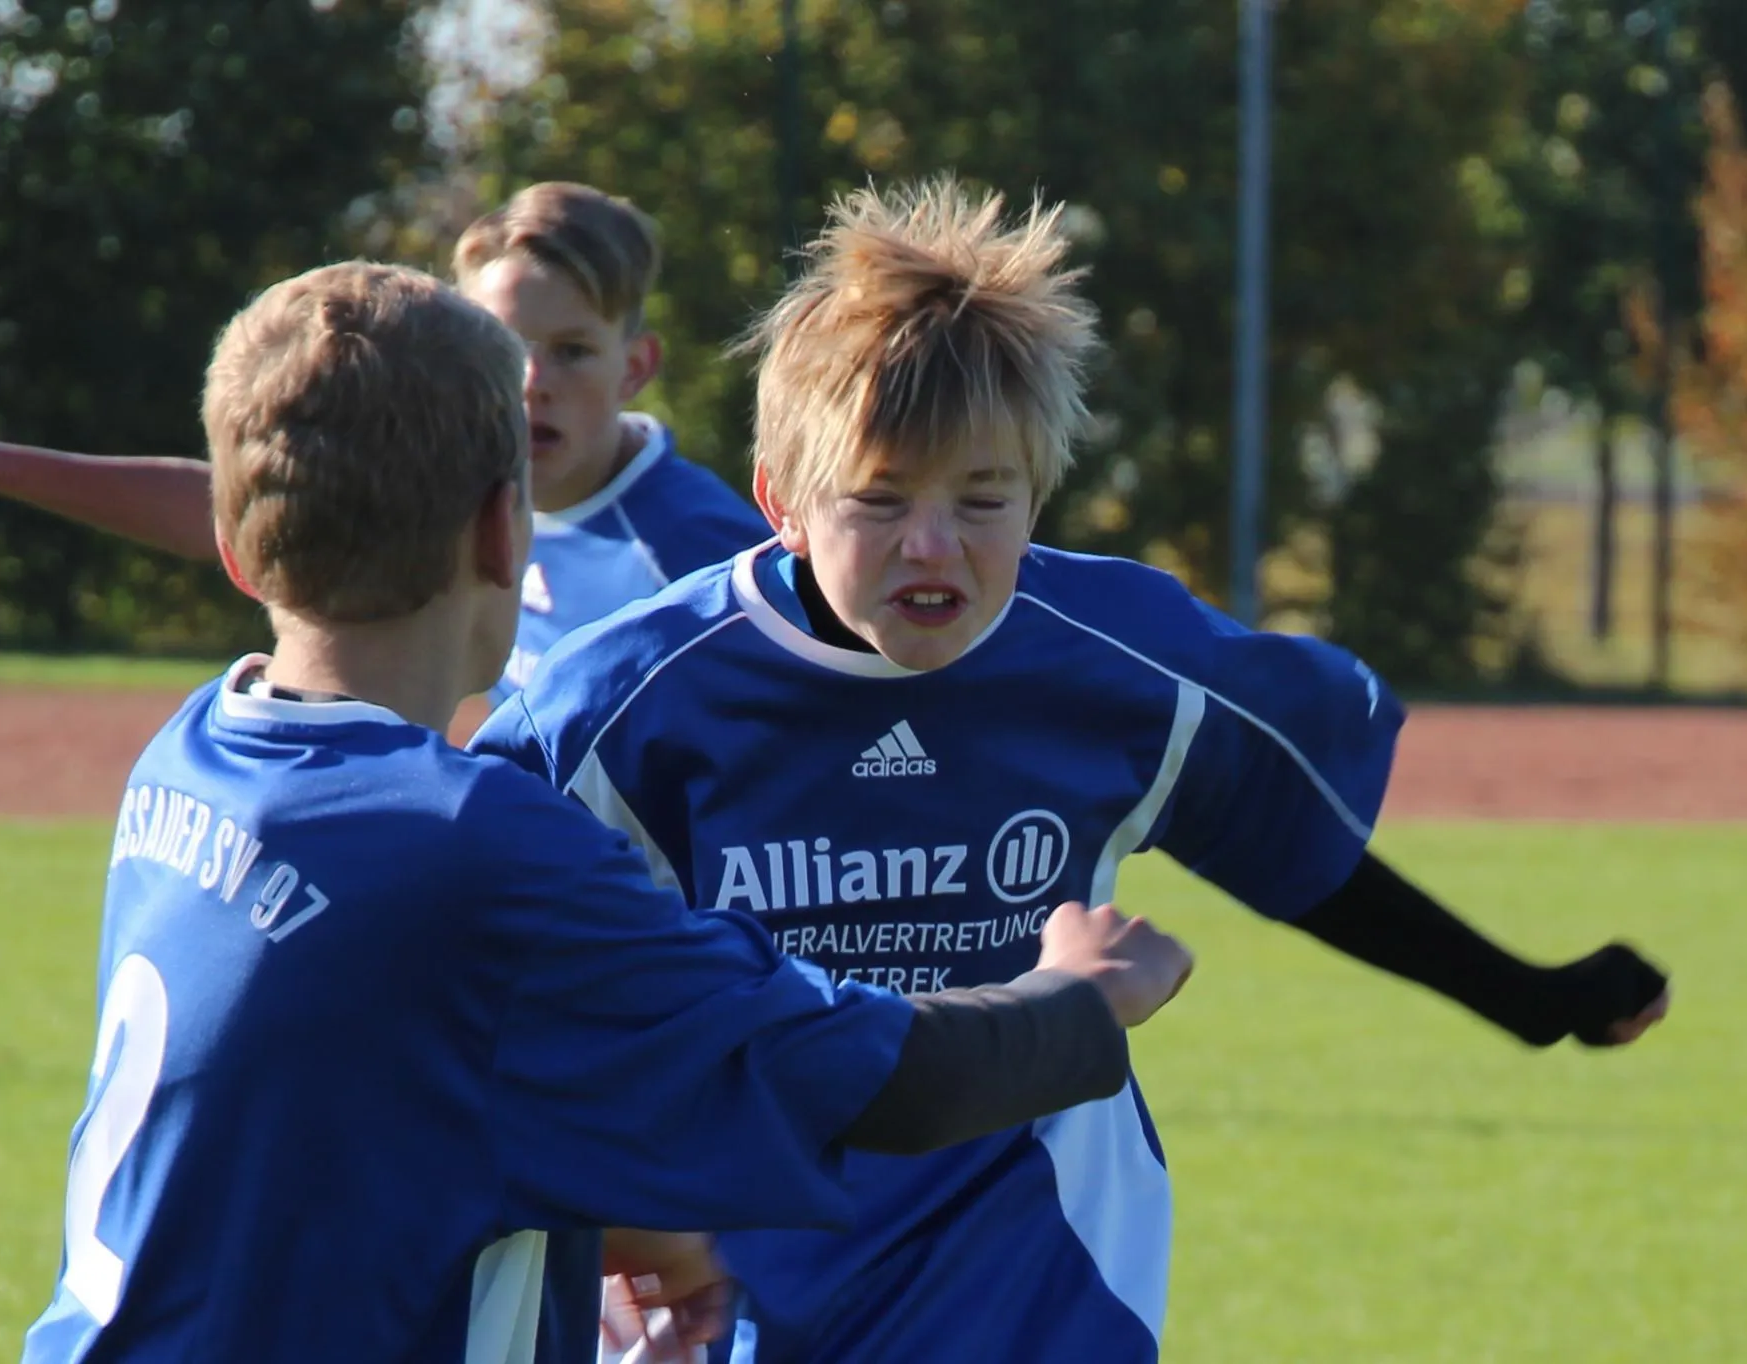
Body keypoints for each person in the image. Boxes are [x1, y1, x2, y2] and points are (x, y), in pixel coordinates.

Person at [470, 177, 1672, 1364]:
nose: (931, 543)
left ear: (1037, 491)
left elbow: (1291, 853)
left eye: (981, 498)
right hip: (742, 1278)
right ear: (778, 499)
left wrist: (1521, 993)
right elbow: (462, 947)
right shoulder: (625, 701)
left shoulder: (1115, 661)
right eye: (878, 500)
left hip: (1038, 1270)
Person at [18, 258, 1198, 1364]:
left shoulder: (190, 761)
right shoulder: (470, 847)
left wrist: (626, 1218)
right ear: (503, 528)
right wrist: (1077, 997)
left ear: (234, 549)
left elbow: (371, 1114)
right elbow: (862, 1072)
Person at [0, 182, 768, 743]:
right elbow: (245, 505)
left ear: (635, 366)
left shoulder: (704, 553)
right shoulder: (456, 479)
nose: (531, 384)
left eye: (570, 352)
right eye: (505, 347)